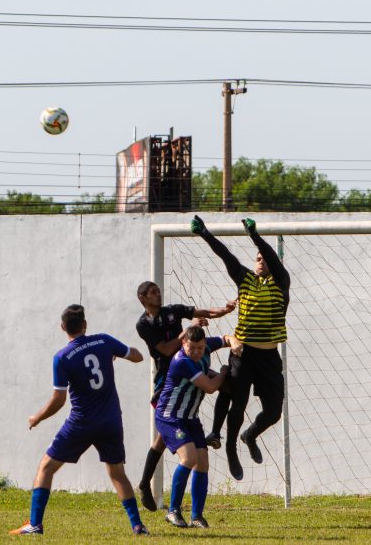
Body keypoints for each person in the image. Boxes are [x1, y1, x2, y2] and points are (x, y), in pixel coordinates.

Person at [9, 304, 150, 537]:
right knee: (117, 473)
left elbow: (58, 400)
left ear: (63, 327)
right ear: (85, 325)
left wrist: (37, 417)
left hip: (82, 423)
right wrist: (117, 353)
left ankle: (35, 524)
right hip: (111, 422)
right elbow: (137, 356)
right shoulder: (104, 341)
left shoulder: (62, 357)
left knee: (46, 467)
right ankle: (137, 526)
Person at [191, 216, 290, 481]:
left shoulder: (281, 283)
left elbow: (271, 258)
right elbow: (226, 256)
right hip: (242, 354)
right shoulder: (244, 280)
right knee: (238, 404)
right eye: (258, 258)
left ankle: (250, 435)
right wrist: (205, 233)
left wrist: (254, 234)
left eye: (265, 258)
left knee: (273, 412)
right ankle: (231, 447)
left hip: (268, 356)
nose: (261, 261)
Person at [134, 281, 236, 511]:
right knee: (163, 436)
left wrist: (225, 310)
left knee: (228, 387)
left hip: (192, 367)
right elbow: (167, 350)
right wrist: (186, 332)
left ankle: (216, 432)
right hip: (169, 378)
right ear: (142, 298)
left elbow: (203, 312)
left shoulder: (172, 310)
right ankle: (144, 484)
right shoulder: (143, 325)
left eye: (159, 291)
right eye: (153, 293)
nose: (158, 294)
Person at [155, 325, 230, 529]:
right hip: (171, 417)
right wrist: (224, 372)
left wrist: (235, 342)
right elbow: (210, 387)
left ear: (204, 344)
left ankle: (196, 517)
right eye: (191, 347)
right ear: (183, 343)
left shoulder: (205, 348)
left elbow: (225, 338)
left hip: (190, 418)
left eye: (200, 347)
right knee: (189, 458)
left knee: (202, 462)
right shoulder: (182, 362)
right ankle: (173, 511)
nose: (196, 352)